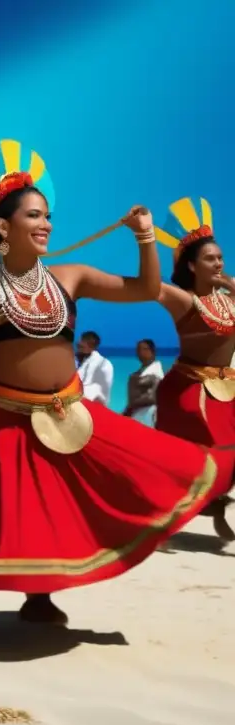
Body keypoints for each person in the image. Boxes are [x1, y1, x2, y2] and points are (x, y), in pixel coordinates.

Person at [0, 139, 233, 624]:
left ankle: (42, 596)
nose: (46, 224)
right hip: (4, 416)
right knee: (27, 512)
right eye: (34, 216)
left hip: (70, 409)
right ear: (1, 226)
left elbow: (142, 289)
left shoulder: (70, 277)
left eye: (47, 215)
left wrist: (143, 237)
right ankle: (37, 596)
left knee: (121, 485)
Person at [153, 196, 235, 540]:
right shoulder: (183, 299)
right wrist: (145, 239)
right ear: (191, 266)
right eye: (209, 258)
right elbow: (149, 287)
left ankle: (215, 504)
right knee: (200, 462)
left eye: (220, 257)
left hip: (226, 388)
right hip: (189, 390)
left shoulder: (228, 298)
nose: (218, 263)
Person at [124, 338, 163, 426]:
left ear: (151, 351)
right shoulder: (141, 372)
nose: (139, 352)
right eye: (138, 349)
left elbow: (154, 397)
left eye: (142, 349)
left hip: (149, 414)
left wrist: (132, 403)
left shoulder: (156, 372)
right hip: (139, 414)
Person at [77, 330, 114, 406]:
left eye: (82, 347)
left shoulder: (103, 364)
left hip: (92, 406)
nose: (79, 348)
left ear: (93, 347)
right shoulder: (76, 360)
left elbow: (101, 393)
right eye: (79, 346)